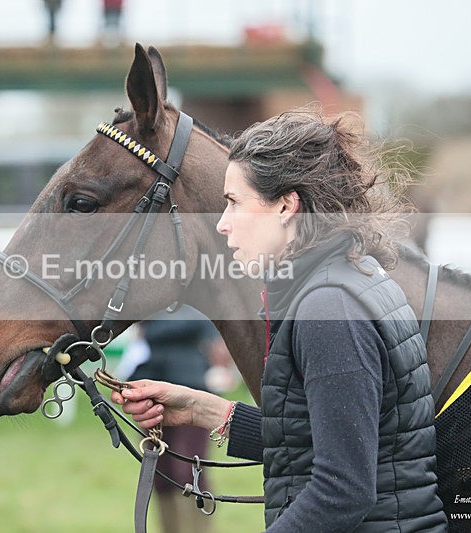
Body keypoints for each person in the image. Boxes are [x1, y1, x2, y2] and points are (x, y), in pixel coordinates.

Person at [112, 108, 448, 531]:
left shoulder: (329, 310)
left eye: (233, 202)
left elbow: (343, 489)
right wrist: (199, 407)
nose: (221, 224)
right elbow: (319, 441)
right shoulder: (343, 280)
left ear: (287, 206)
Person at [117, 306, 227, 533]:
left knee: (189, 471)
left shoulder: (195, 308)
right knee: (160, 473)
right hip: (152, 389)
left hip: (191, 388)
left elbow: (213, 340)